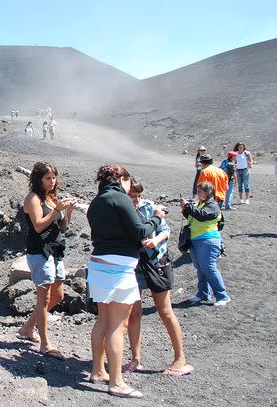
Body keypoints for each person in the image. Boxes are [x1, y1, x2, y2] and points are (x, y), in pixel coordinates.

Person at [86, 164, 166, 399]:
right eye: (129, 181)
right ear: (121, 179)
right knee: (117, 326)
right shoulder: (120, 199)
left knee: (103, 319)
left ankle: (97, 370)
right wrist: (157, 218)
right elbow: (140, 232)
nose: (130, 187)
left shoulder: (97, 201)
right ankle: (116, 381)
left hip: (98, 265)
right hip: (119, 268)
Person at [123, 179, 194, 377]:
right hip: (135, 264)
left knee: (165, 311)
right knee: (134, 313)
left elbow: (166, 231)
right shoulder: (123, 210)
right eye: (132, 197)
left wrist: (154, 240)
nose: (136, 200)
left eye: (138, 196)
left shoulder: (150, 207)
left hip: (156, 262)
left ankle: (180, 359)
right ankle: (135, 359)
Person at [16, 162, 76, 359]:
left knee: (57, 296)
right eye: (48, 178)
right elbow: (39, 226)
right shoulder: (32, 198)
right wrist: (55, 209)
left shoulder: (51, 198)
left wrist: (67, 211)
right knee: (44, 299)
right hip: (40, 251)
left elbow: (63, 227)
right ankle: (45, 344)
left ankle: (27, 328)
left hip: (55, 250)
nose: (52, 181)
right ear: (38, 179)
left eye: (54, 177)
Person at [181, 181, 230, 306]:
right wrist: (185, 209)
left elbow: (201, 216)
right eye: (197, 191)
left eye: (200, 191)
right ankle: (203, 294)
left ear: (208, 192)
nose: (198, 193)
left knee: (208, 268)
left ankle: (222, 296)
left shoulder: (213, 205)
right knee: (200, 268)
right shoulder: (200, 204)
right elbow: (193, 216)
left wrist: (188, 207)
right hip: (196, 240)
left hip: (208, 240)